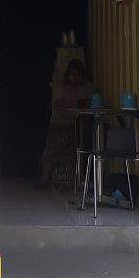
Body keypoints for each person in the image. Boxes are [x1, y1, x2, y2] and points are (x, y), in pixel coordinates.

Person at [36, 58, 93, 189]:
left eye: (78, 75)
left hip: (78, 125)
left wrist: (76, 104)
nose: (75, 78)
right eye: (72, 74)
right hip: (59, 123)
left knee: (72, 154)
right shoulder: (60, 86)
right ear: (67, 74)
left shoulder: (87, 87)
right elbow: (57, 104)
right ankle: (43, 180)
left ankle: (71, 181)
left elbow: (90, 102)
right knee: (52, 151)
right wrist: (76, 104)